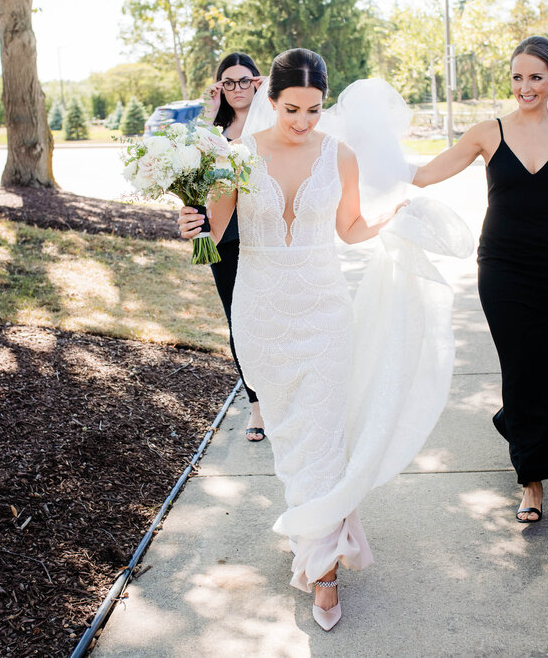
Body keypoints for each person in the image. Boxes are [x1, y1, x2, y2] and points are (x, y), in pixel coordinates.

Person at [178, 48, 465, 631]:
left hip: (324, 311)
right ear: (270, 99)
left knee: (324, 435)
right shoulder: (237, 155)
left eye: (313, 109)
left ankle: (325, 571)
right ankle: (320, 533)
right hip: (261, 311)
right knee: (292, 441)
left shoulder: (343, 156)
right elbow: (219, 228)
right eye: (291, 109)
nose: (303, 121)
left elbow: (350, 229)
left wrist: (396, 220)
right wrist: (194, 223)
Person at [411, 36, 548, 524]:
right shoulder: (487, 133)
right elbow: (429, 172)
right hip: (500, 266)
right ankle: (531, 482)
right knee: (522, 365)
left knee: (536, 360)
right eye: (517, 77)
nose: (524, 86)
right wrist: (380, 173)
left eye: (535, 76)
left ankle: (513, 423)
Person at [198, 52, 268, 442]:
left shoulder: (272, 121)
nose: (237, 88)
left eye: (246, 81)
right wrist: (212, 111)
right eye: (229, 82)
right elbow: (198, 173)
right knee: (238, 321)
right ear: (220, 86)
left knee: (273, 316)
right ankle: (256, 406)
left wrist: (269, 87)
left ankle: (283, 395)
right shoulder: (215, 130)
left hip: (266, 236)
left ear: (257, 83)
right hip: (225, 238)